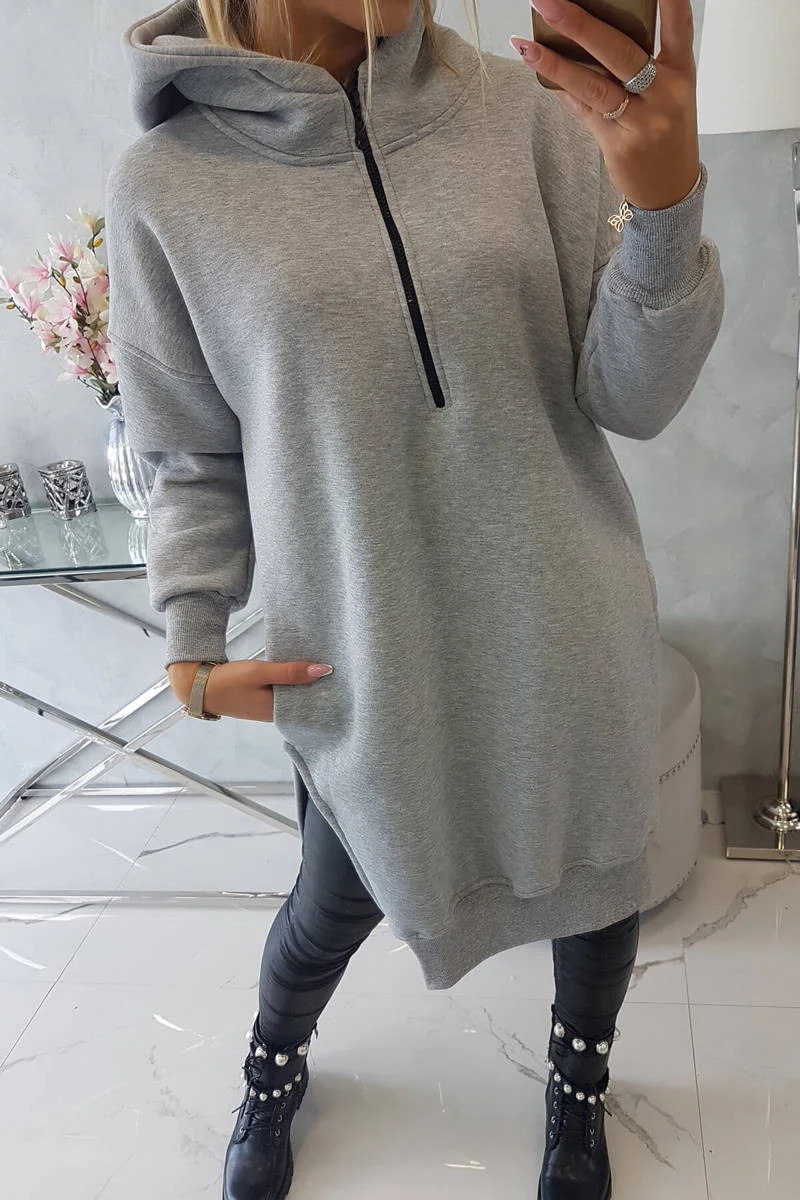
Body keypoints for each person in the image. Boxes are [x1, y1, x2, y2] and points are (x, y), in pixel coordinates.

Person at [105, 1, 724, 1197]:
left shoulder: (521, 113)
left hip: (565, 617)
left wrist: (661, 210)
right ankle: (273, 1061)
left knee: (598, 878)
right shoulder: (164, 185)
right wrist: (191, 638)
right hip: (363, 648)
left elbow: (631, 398)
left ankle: (576, 1087)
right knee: (332, 901)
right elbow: (190, 452)